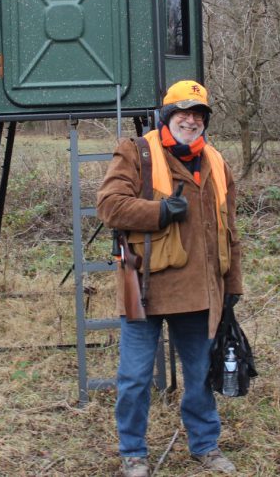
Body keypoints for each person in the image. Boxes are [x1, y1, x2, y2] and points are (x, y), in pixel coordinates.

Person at [97, 80, 243, 477]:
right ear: (167, 116)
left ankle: (205, 447)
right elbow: (109, 206)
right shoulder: (136, 152)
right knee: (134, 379)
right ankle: (133, 453)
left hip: (200, 290)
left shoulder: (216, 162)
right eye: (183, 113)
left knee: (200, 376)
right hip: (144, 288)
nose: (190, 121)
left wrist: (233, 288)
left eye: (198, 115)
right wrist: (159, 212)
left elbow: (229, 229)